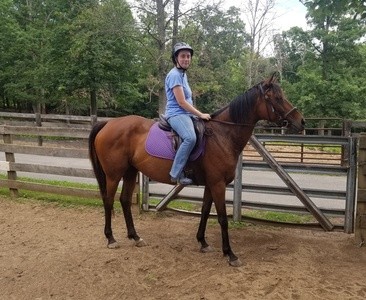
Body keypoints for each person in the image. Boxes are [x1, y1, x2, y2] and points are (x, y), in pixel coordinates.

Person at [164, 42, 211, 185]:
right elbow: (182, 102)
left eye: (188, 56)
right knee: (190, 137)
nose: (186, 59)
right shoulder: (174, 75)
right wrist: (200, 114)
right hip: (176, 114)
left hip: (186, 114)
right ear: (176, 58)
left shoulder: (182, 74)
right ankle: (176, 173)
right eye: (183, 56)